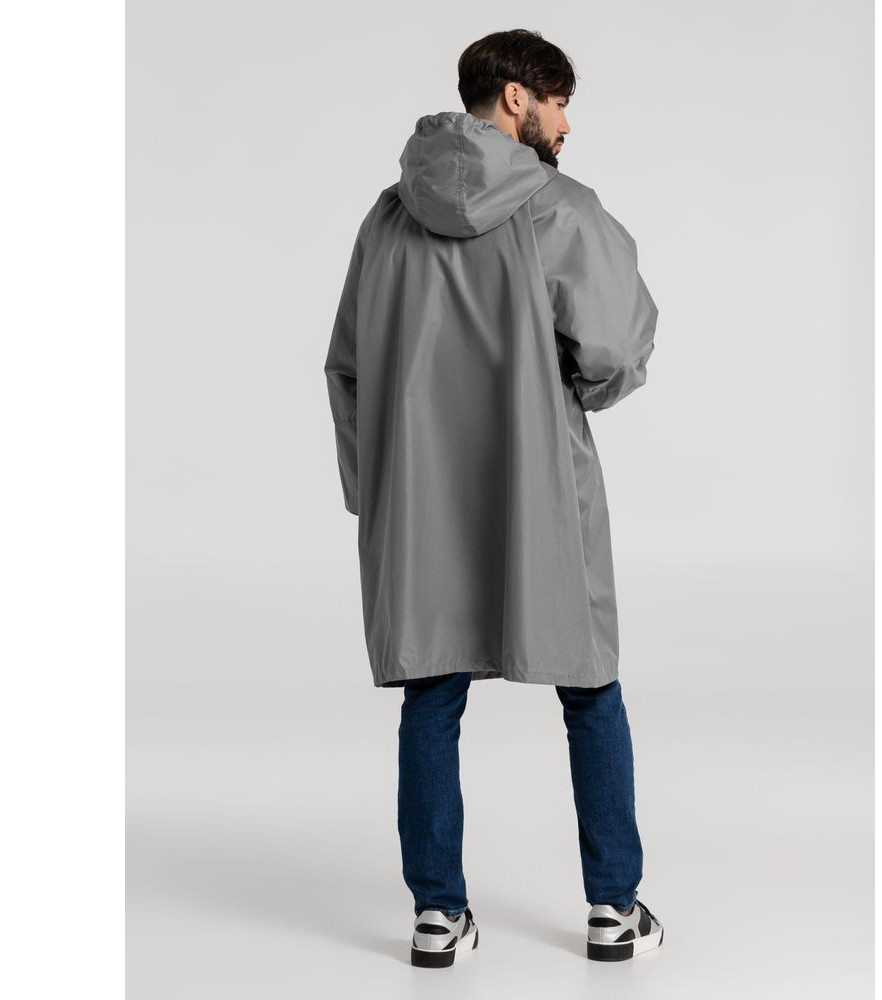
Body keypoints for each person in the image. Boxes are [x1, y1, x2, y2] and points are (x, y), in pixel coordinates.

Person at [323, 28, 664, 966]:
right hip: (540, 493)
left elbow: (348, 367)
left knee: (431, 696)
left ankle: (437, 915)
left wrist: (377, 494)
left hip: (422, 509)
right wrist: (571, 389)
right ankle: (613, 908)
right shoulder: (558, 209)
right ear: (517, 98)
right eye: (558, 104)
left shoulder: (387, 218)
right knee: (590, 688)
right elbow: (616, 347)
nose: (565, 126)